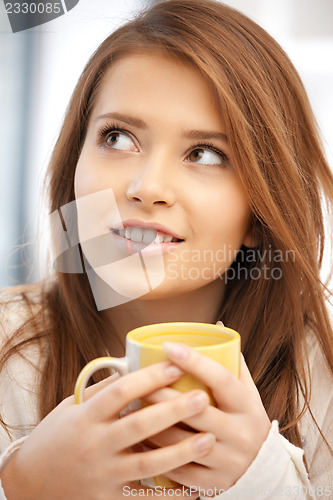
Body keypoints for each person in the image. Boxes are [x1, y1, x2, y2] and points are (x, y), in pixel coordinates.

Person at [0, 0, 332, 498]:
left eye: (205, 153)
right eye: (118, 137)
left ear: (260, 216)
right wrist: (22, 485)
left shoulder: (317, 371)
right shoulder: (9, 351)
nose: (147, 185)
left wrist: (264, 480)